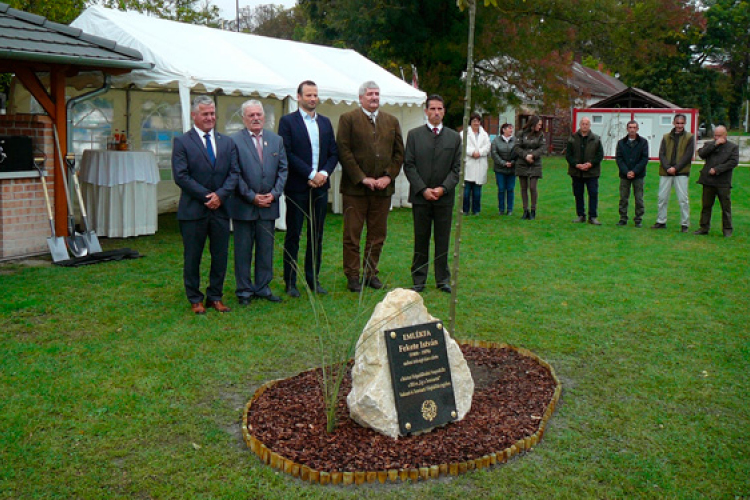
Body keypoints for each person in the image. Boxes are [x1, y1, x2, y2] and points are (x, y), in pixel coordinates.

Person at [172, 96, 239, 314]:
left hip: (221, 209)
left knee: (220, 255)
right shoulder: (182, 142)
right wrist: (207, 196)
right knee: (193, 256)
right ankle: (195, 298)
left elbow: (234, 173)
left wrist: (219, 196)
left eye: (212, 114)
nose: (210, 118)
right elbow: (181, 176)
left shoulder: (227, 142)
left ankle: (215, 297)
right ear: (194, 115)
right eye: (205, 114)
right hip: (193, 210)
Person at [337, 81, 404, 292]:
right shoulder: (348, 119)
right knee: (352, 235)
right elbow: (344, 151)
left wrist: (388, 177)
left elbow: (399, 153)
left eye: (376, 93)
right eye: (370, 94)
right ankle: (353, 276)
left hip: (382, 191)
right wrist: (362, 177)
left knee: (377, 235)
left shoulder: (391, 121)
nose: (374, 97)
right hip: (355, 189)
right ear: (361, 98)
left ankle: (370, 273)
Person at [278, 80, 339, 297]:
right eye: (308, 95)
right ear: (299, 96)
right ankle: (291, 281)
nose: (313, 99)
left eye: (315, 95)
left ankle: (313, 279)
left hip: (320, 187)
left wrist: (323, 174)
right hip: (297, 186)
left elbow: (334, 152)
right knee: (294, 234)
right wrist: (311, 174)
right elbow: (288, 152)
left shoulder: (325, 123)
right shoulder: (287, 122)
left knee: (317, 235)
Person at [229, 100, 288, 305]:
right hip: (244, 206)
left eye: (259, 115)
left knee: (266, 249)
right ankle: (244, 290)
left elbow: (283, 169)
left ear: (264, 117)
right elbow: (234, 173)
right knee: (243, 250)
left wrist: (274, 194)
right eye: (251, 115)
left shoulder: (276, 140)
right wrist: (251, 197)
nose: (256, 118)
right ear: (244, 118)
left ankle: (263, 287)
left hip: (269, 206)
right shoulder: (234, 141)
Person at [403, 94, 462, 293]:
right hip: (421, 198)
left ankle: (442, 278)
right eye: (432, 109)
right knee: (421, 238)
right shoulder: (414, 135)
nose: (436, 112)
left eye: (440, 109)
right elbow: (409, 165)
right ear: (426, 111)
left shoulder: (454, 138)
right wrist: (423, 189)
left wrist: (443, 188)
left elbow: (457, 169)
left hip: (444, 199)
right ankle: (419, 278)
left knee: (442, 239)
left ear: (444, 111)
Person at [694, 126, 739, 237]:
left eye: (719, 135)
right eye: (715, 135)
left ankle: (727, 230)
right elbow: (702, 154)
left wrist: (717, 169)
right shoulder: (709, 144)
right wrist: (715, 144)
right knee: (706, 206)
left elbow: (733, 162)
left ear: (725, 135)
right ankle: (704, 228)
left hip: (723, 182)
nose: (717, 137)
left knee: (726, 207)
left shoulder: (733, 147)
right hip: (708, 181)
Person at [653, 114, 694, 232]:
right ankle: (661, 221)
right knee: (662, 198)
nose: (680, 125)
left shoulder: (689, 137)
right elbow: (662, 154)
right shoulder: (666, 137)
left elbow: (688, 155)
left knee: (683, 199)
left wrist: (676, 168)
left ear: (684, 123)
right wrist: (667, 167)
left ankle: (685, 224)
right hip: (665, 172)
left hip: (681, 172)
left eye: (682, 123)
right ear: (674, 123)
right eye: (678, 123)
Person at [566, 116, 604, 225]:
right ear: (580, 125)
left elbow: (600, 155)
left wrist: (590, 164)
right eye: (583, 123)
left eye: (587, 124)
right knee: (578, 194)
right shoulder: (572, 138)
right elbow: (568, 155)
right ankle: (580, 215)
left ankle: (592, 217)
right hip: (576, 172)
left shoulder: (596, 139)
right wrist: (576, 165)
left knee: (593, 193)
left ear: (590, 126)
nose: (585, 126)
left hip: (592, 172)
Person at [615, 120, 649, 227]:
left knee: (639, 198)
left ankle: (638, 219)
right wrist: (626, 172)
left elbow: (644, 159)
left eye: (634, 127)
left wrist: (634, 171)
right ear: (627, 129)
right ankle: (623, 218)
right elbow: (619, 159)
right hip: (624, 175)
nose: (632, 130)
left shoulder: (643, 142)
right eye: (630, 127)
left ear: (637, 129)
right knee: (623, 198)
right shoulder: (621, 143)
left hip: (638, 175)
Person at [513, 115, 545, 220]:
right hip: (522, 163)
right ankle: (525, 210)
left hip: (535, 164)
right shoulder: (521, 133)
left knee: (532, 187)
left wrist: (533, 155)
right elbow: (517, 147)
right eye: (539, 124)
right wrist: (525, 155)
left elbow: (542, 148)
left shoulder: (540, 135)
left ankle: (533, 210)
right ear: (533, 124)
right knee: (523, 187)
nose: (540, 127)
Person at [462, 112, 491, 215]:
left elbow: (487, 147)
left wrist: (480, 153)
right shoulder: (464, 133)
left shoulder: (484, 134)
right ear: (471, 122)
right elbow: (462, 145)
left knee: (477, 192)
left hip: (480, 163)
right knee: (466, 191)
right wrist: (472, 152)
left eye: (478, 121)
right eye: (474, 121)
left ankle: (476, 210)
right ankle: (465, 210)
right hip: (468, 164)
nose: (476, 123)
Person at [490, 123, 517, 216]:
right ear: (503, 130)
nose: (511, 130)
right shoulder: (496, 140)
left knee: (510, 189)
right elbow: (494, 153)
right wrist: (503, 163)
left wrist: (512, 163)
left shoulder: (515, 141)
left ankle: (510, 209)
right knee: (501, 189)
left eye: (512, 128)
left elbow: (518, 152)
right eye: (509, 128)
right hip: (500, 170)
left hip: (512, 170)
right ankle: (501, 209)